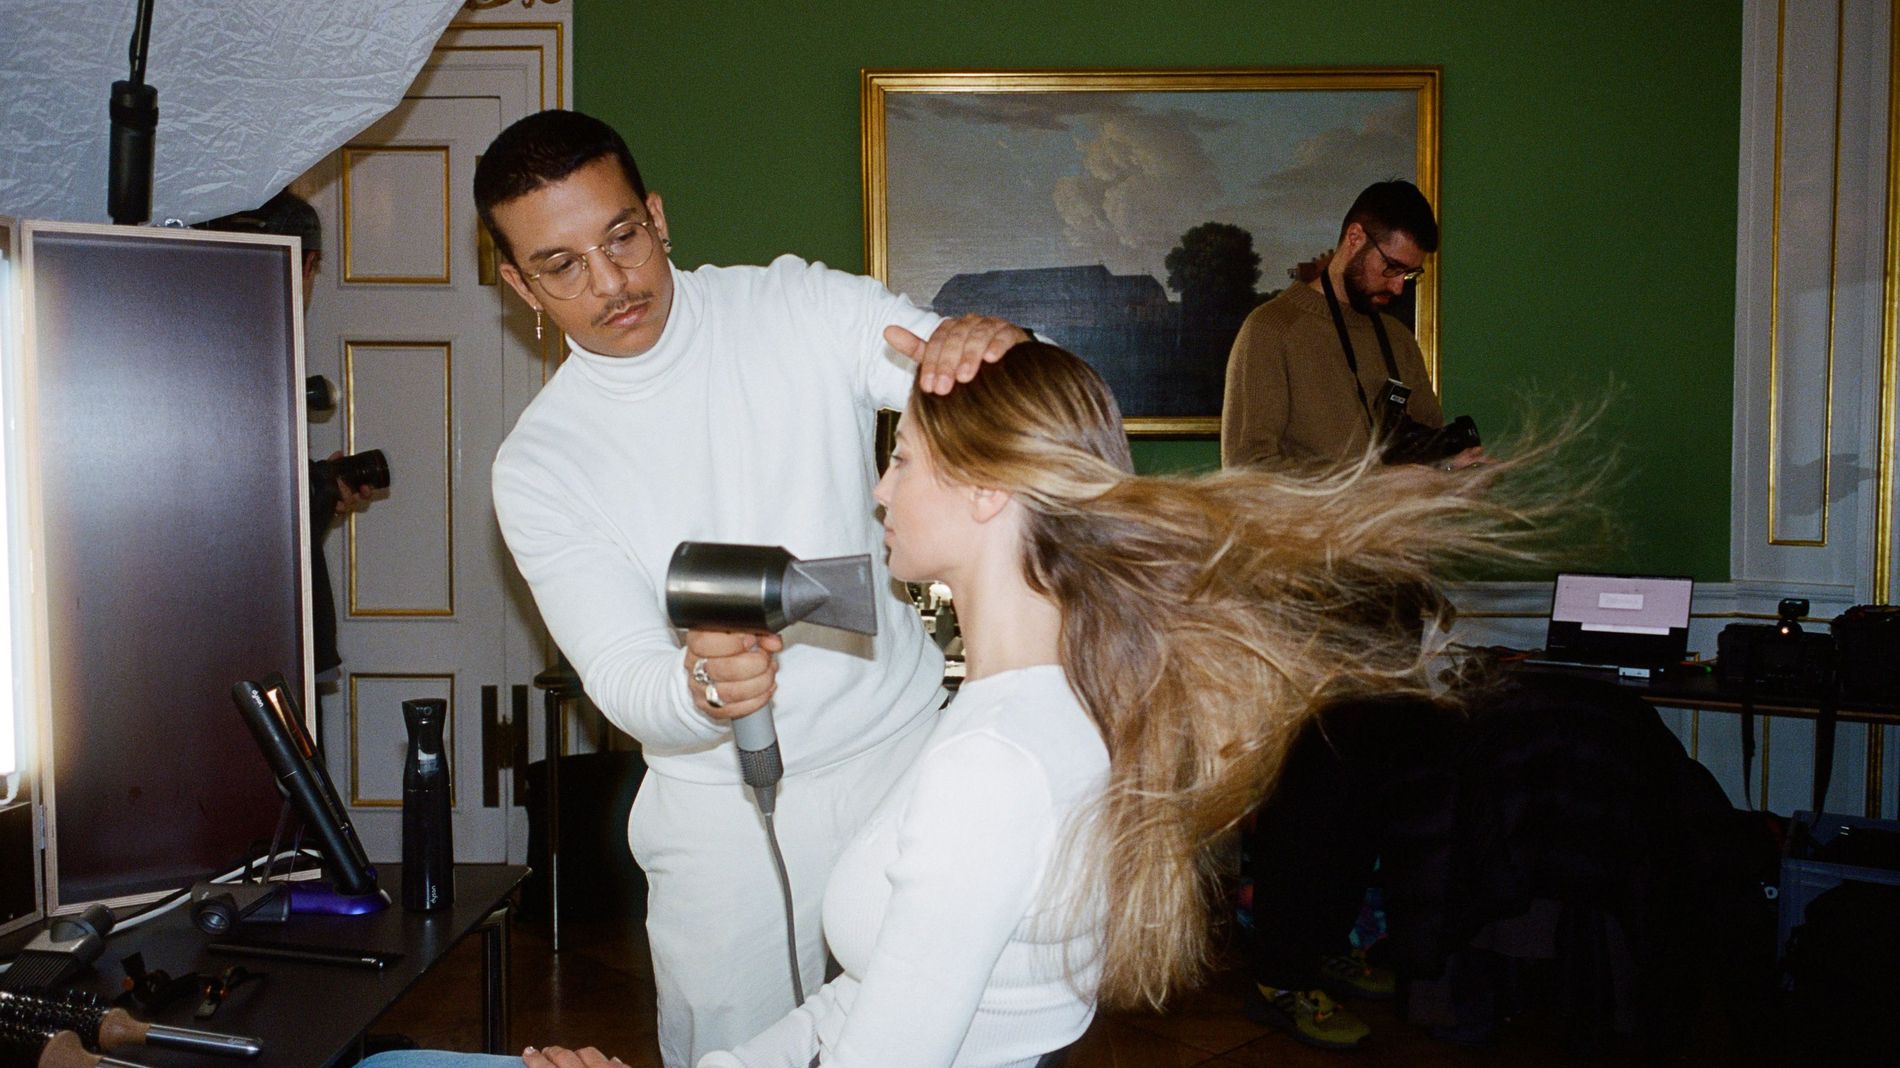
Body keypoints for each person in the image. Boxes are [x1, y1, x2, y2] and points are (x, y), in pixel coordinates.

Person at [359, 341, 1547, 1068]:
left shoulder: (996, 765)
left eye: (905, 461)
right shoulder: (1023, 712)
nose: (878, 490)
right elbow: (860, 1006)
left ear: (984, 494)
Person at [472, 109, 1027, 1068]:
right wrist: (701, 687)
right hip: (719, 815)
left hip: (904, 764)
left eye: (621, 237)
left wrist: (985, 351)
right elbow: (621, 674)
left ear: (656, 216)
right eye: (561, 266)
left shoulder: (791, 307)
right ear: (519, 284)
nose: (611, 282)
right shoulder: (540, 468)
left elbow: (989, 386)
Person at [198, 191, 380, 726]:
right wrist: (320, 493)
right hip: (263, 640)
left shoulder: (205, 341)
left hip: (209, 639)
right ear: (309, 264)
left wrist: (320, 492)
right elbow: (258, 522)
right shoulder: (254, 353)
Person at [1220, 180, 1481, 472]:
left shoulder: (1399, 339)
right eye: (1392, 267)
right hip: (1307, 520)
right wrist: (1376, 484)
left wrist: (1451, 471)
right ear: (1355, 238)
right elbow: (1247, 469)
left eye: (1409, 274)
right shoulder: (1270, 330)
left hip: (1395, 518)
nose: (1397, 287)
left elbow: (1425, 456)